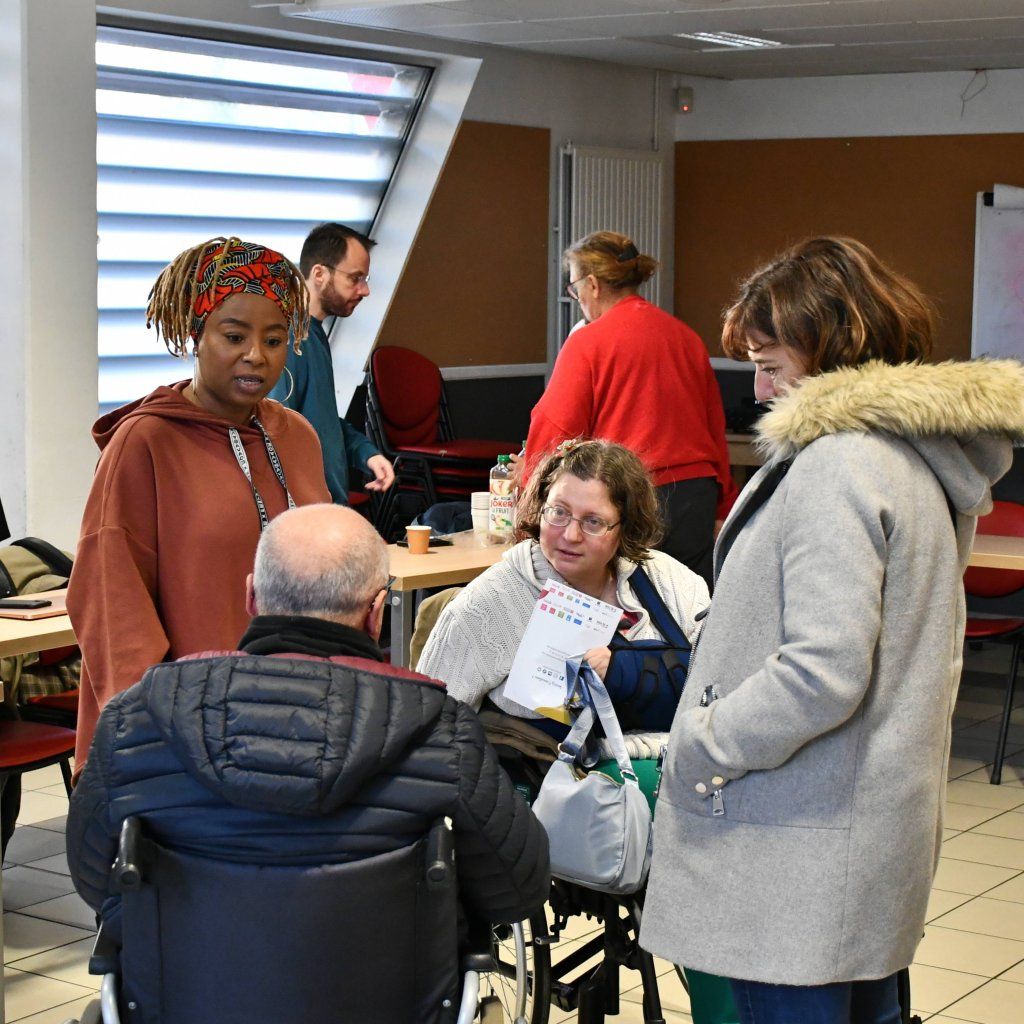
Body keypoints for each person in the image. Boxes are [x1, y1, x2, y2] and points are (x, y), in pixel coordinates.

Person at [641, 237, 1024, 1024]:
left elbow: (824, 669)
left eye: (772, 362)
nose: (758, 384)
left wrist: (704, 743)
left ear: (835, 348)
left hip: (795, 848)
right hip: (861, 834)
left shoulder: (837, 466)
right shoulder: (912, 457)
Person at [66, 504, 550, 954]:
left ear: (251, 595)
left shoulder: (137, 719)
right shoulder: (443, 732)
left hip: (185, 998)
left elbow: (93, 877)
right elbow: (519, 885)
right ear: (378, 613)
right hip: (390, 998)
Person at [67, 237, 331, 770]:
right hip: (187, 732)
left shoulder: (296, 436)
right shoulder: (144, 442)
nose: (256, 355)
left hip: (296, 716)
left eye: (275, 339)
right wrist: (156, 725)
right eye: (234, 335)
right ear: (196, 333)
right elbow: (110, 600)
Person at [419, 439, 709, 727]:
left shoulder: (672, 581)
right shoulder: (486, 606)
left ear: (626, 528)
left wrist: (623, 669)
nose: (570, 535)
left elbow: (720, 683)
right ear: (539, 508)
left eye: (593, 521)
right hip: (549, 771)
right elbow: (430, 727)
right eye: (559, 512)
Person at [524, 231, 738, 586]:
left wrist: (534, 503)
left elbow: (554, 430)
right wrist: (722, 506)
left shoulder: (588, 342)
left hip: (626, 497)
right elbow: (714, 427)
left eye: (574, 288)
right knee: (686, 612)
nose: (576, 297)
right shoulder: (686, 338)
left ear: (592, 284)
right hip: (694, 498)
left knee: (617, 613)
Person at [268, 222, 395, 505]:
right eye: (355, 278)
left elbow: (319, 420)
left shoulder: (314, 333)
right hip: (307, 515)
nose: (365, 290)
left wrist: (366, 453)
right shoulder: (288, 338)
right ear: (319, 274)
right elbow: (276, 433)